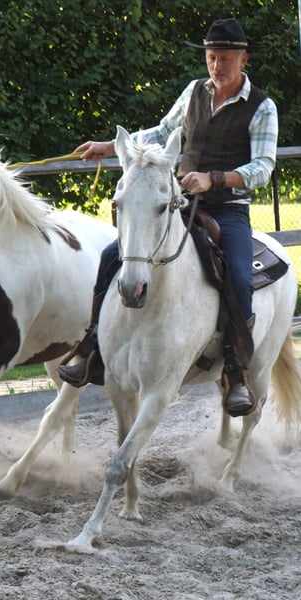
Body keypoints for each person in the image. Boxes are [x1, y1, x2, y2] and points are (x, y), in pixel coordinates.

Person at [58, 18, 278, 418]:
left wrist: (214, 178)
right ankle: (91, 346)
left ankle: (235, 371)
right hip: (179, 203)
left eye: (225, 59)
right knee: (111, 256)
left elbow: (262, 168)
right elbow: (162, 132)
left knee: (239, 277)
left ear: (243, 60)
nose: (217, 66)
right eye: (212, 58)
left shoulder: (262, 107)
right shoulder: (194, 92)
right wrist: (111, 146)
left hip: (227, 209)